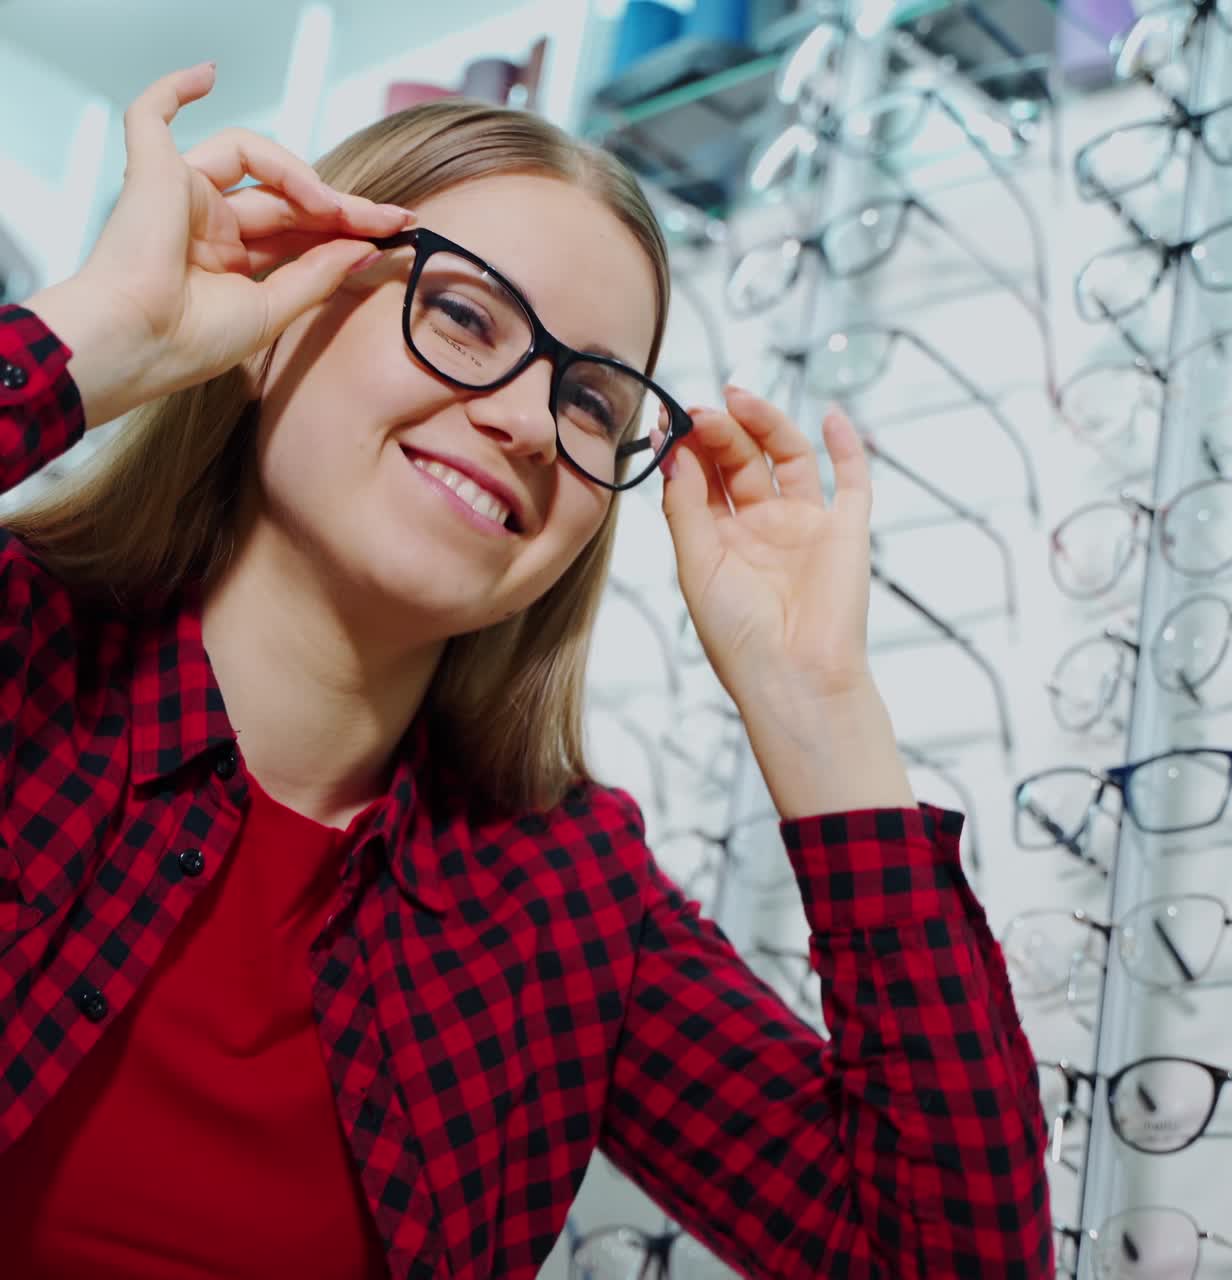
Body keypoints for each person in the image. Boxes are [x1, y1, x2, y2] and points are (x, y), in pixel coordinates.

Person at [0, 63, 1050, 1279]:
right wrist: (96, 338)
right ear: (269, 311)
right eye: (460, 315)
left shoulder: (563, 894)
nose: (525, 419)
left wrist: (818, 703)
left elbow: (949, 1262)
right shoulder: (22, 649)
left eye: (592, 398)